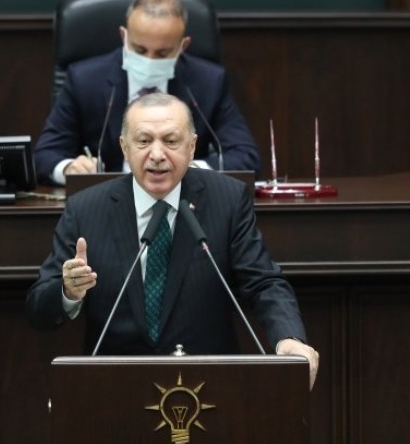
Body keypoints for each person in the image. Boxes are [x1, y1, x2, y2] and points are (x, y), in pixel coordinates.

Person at [26, 92, 318, 390]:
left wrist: (289, 338)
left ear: (192, 147)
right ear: (124, 147)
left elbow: (263, 283)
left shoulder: (228, 200)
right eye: (143, 141)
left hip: (210, 384)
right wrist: (69, 292)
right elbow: (39, 309)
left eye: (171, 141)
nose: (157, 154)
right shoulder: (86, 209)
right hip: (116, 387)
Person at [34, 0, 261, 186]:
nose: (149, 60)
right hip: (106, 204)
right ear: (124, 36)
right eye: (139, 50)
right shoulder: (84, 80)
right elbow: (45, 156)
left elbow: (246, 156)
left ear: (183, 46)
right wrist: (69, 168)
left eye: (162, 53)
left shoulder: (208, 81)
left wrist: (192, 169)